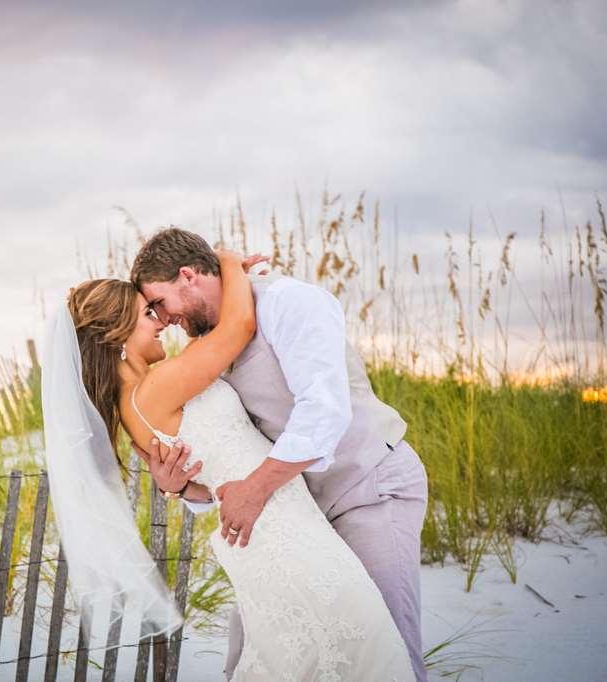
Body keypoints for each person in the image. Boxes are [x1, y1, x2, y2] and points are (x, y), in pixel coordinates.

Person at [42, 244, 414, 680]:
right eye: (149, 314)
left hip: (261, 531)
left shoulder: (131, 406)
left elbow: (202, 482)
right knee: (369, 651)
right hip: (280, 530)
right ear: (116, 334)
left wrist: (178, 488)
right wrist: (230, 265)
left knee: (307, 659)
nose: (162, 321)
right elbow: (239, 324)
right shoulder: (157, 387)